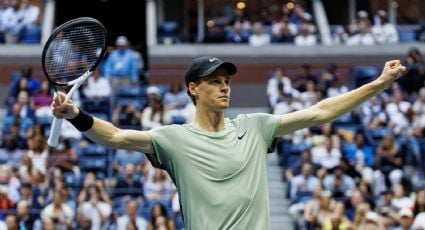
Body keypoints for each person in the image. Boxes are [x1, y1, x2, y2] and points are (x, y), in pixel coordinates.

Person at [51, 56, 406, 229]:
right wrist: (76, 114)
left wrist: (377, 84)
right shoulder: (173, 139)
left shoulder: (255, 126)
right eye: (215, 81)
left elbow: (319, 113)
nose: (225, 87)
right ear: (193, 88)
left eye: (227, 81)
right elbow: (114, 136)